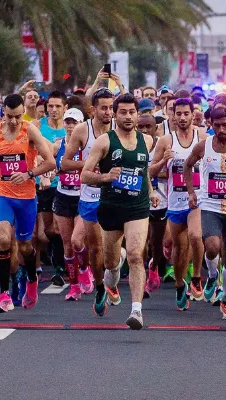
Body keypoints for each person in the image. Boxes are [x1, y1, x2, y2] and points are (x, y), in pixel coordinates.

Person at [81, 93, 159, 330]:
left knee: (137, 255)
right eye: (122, 112)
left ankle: (136, 310)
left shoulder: (146, 141)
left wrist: (152, 191)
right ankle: (111, 279)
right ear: (114, 115)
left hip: (138, 206)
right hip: (111, 207)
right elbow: (84, 175)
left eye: (132, 112)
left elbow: (142, 171)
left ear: (138, 114)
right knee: (111, 263)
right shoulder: (104, 142)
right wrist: (106, 176)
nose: (127, 116)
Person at [0, 94, 56, 314]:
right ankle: (4, 295)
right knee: (3, 239)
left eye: (18, 116)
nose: (14, 121)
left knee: (25, 246)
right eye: (10, 116)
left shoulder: (29, 130)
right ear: (3, 112)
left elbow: (50, 161)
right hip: (3, 195)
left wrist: (29, 173)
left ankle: (31, 278)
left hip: (26, 198)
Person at [184, 106, 226, 320]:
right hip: (210, 206)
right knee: (213, 247)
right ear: (210, 125)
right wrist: (191, 193)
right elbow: (187, 166)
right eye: (217, 125)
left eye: (225, 125)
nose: (221, 129)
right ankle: (213, 275)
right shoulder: (203, 146)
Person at [62, 88, 116, 315]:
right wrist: (87, 165)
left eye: (111, 108)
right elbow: (64, 163)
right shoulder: (83, 130)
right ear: (93, 109)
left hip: (115, 196)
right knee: (91, 247)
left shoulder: (119, 129)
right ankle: (100, 285)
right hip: (90, 196)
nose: (108, 112)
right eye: (103, 107)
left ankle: (111, 278)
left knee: (114, 248)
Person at [150, 98, 205, 309]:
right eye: (178, 114)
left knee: (195, 235)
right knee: (180, 249)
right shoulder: (165, 140)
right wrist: (164, 160)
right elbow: (151, 172)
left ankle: (197, 276)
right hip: (174, 202)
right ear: (172, 116)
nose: (182, 118)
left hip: (196, 199)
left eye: (186, 113)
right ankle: (181, 285)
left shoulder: (202, 137)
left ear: (193, 115)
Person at [52, 108, 92, 301]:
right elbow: (50, 165)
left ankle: (85, 268)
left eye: (74, 122)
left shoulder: (86, 146)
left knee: (78, 241)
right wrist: (47, 175)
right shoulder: (57, 145)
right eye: (67, 122)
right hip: (62, 195)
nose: (70, 126)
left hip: (82, 196)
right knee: (67, 246)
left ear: (81, 124)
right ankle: (74, 286)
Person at [37, 90, 68, 286]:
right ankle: (61, 261)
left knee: (61, 228)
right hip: (44, 185)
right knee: (47, 231)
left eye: (58, 106)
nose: (54, 110)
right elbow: (33, 152)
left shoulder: (72, 127)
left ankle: (61, 267)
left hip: (66, 187)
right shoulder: (37, 127)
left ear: (65, 108)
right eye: (50, 106)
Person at [138, 114, 168, 297]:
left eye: (148, 127)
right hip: (139, 201)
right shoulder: (132, 145)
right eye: (140, 127)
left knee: (156, 243)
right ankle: (140, 280)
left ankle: (154, 266)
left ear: (155, 128)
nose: (144, 131)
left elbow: (170, 172)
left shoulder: (162, 146)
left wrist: (152, 172)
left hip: (161, 200)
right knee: (140, 243)